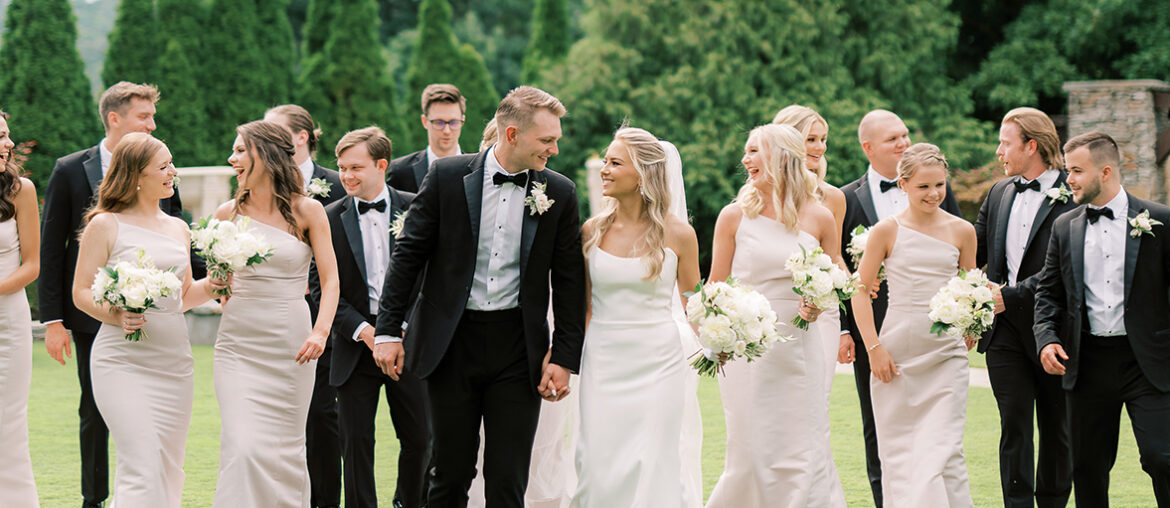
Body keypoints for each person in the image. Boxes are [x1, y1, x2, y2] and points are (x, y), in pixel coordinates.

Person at [373, 86, 585, 508]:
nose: (555, 149)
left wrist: (563, 357)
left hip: (517, 348)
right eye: (547, 140)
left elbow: (569, 283)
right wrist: (387, 331)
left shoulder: (559, 193)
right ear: (511, 135)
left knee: (508, 477)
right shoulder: (449, 178)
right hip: (451, 343)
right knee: (449, 473)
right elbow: (409, 255)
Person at [38, 81, 192, 508]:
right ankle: (93, 498)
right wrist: (59, 319)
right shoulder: (78, 181)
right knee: (113, 430)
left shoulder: (171, 207)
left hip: (169, 348)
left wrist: (218, 280)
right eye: (144, 116)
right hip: (107, 333)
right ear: (114, 117)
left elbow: (180, 279)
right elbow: (56, 255)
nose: (152, 123)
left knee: (165, 459)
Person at [71, 133, 226, 507]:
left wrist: (217, 284)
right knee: (141, 460)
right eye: (163, 166)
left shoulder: (179, 227)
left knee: (168, 464)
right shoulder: (105, 225)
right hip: (121, 361)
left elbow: (184, 295)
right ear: (136, 174)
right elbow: (80, 293)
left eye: (172, 163)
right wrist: (117, 313)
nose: (173, 172)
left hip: (174, 363)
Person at [705, 124, 842, 507]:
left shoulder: (819, 217)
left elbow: (835, 280)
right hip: (748, 349)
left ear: (781, 156)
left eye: (753, 152)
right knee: (750, 445)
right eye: (746, 152)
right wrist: (720, 335)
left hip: (801, 345)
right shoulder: (733, 217)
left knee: (803, 442)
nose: (745, 160)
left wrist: (819, 301)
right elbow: (716, 287)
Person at [1034, 131, 1170, 506]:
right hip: (1087, 362)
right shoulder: (1065, 226)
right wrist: (1047, 338)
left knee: (1163, 457)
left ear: (1106, 171)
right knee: (1088, 468)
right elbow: (1048, 292)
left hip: (1148, 363)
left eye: (1076, 170)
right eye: (1067, 170)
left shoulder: (1161, 221)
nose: (1069, 179)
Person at [837, 109, 962, 507]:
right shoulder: (864, 213)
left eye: (939, 185)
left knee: (945, 450)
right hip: (889, 341)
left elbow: (968, 280)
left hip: (945, 350)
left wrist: (974, 320)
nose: (933, 193)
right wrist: (868, 343)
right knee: (893, 448)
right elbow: (851, 279)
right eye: (924, 186)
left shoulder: (958, 225)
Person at [212, 120, 340, 508]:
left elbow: (331, 280)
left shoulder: (308, 210)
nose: (231, 158)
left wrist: (319, 333)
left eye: (239, 151)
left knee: (285, 449)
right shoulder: (226, 213)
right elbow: (218, 282)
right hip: (237, 344)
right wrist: (219, 283)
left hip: (291, 342)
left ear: (264, 154)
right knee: (243, 445)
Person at [572, 126, 700, 507]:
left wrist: (720, 338)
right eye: (605, 161)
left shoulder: (679, 234)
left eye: (615, 163)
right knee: (597, 463)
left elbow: (694, 299)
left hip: (659, 364)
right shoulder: (591, 231)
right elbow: (586, 308)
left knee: (653, 462)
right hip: (603, 361)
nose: (604, 170)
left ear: (643, 173)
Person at [311, 126, 430, 508]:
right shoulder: (327, 218)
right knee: (356, 442)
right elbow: (320, 286)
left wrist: (399, 331)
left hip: (408, 346)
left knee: (421, 437)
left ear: (382, 165)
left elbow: (432, 278)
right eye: (342, 167)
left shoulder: (417, 208)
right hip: (353, 344)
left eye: (356, 167)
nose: (346, 176)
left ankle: (407, 502)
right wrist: (365, 333)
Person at [973, 107, 1074, 508]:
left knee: (1056, 428)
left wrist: (1010, 296)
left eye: (1005, 142)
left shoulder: (1072, 194)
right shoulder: (999, 192)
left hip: (1054, 330)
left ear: (1031, 145)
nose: (999, 150)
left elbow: (1063, 269)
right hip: (1003, 334)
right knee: (1013, 424)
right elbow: (972, 249)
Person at [265, 104, 346, 508]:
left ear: (300, 137)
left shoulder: (338, 184)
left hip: (327, 319)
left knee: (323, 419)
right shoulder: (255, 192)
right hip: (272, 320)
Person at [772, 104, 848, 506]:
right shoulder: (757, 197)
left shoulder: (832, 198)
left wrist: (834, 288)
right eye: (811, 139)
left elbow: (835, 264)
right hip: (771, 313)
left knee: (812, 410)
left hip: (820, 317)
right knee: (777, 411)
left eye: (823, 140)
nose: (818, 147)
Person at [0, 110, 41, 507]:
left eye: (7, 135)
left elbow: (32, 265)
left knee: (6, 421)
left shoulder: (21, 190)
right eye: (0, 137)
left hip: (6, 323)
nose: (8, 144)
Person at [388, 84, 466, 192]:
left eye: (453, 122)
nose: (447, 131)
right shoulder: (400, 171)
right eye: (439, 122)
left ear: (463, 120)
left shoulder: (477, 171)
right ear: (424, 121)